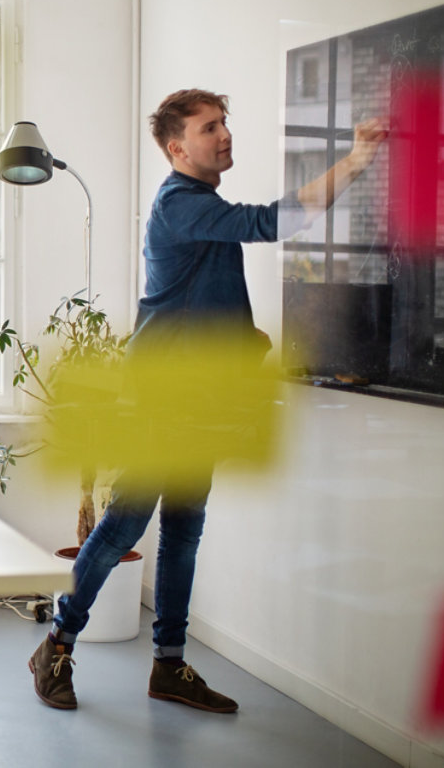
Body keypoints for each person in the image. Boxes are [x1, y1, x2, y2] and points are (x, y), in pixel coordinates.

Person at [28, 90, 388, 713]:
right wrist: (356, 159)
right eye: (209, 127)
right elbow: (274, 221)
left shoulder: (203, 207)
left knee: (185, 533)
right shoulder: (180, 204)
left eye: (224, 124)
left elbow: (193, 300)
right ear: (176, 147)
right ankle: (56, 646)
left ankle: (169, 666)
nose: (224, 136)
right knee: (123, 526)